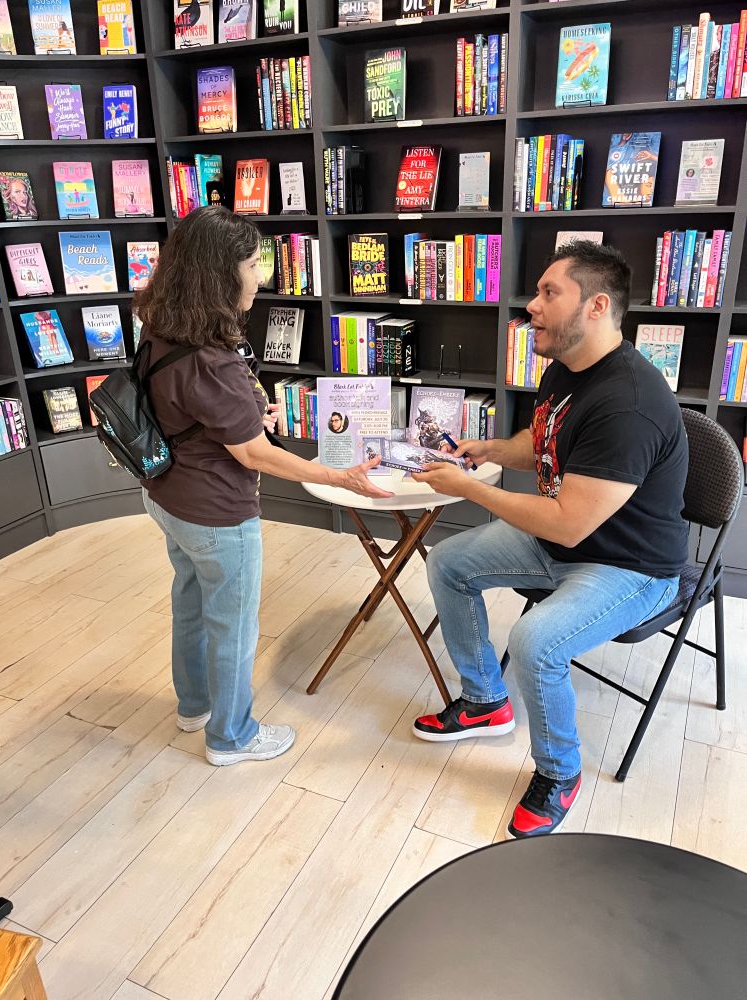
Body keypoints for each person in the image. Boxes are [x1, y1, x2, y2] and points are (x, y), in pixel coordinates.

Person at [409, 241, 688, 838]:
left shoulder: (629, 404)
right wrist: (488, 450)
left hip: (630, 567)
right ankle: (486, 700)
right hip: (564, 544)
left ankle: (560, 772)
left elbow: (566, 520)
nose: (530, 305)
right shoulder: (566, 366)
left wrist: (470, 488)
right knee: (449, 562)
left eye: (548, 293)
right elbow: (544, 443)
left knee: (535, 641)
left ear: (596, 306)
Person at [135, 206, 391, 767]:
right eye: (252, 264)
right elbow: (253, 453)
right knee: (232, 625)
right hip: (217, 512)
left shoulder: (163, 326)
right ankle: (231, 737)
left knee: (190, 602)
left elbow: (194, 411)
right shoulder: (213, 361)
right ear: (219, 274)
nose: (261, 276)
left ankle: (195, 707)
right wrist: (338, 475)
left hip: (168, 497)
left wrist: (248, 415)